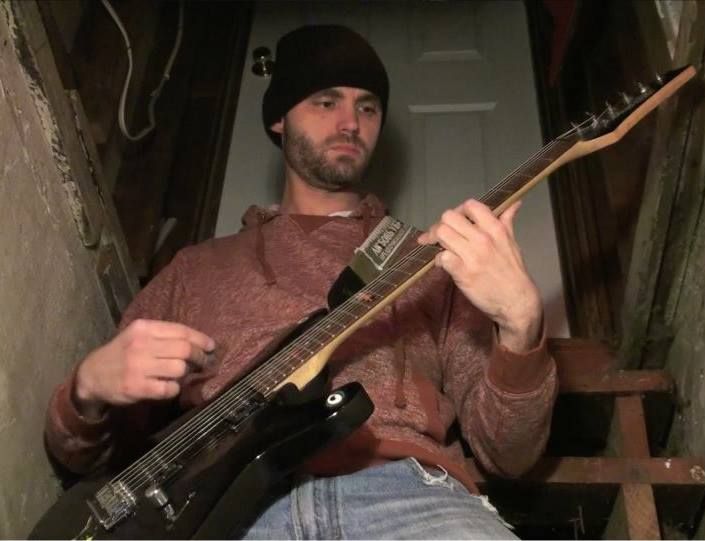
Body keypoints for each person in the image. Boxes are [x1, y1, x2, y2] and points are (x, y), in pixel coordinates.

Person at [44, 25, 557, 539]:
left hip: (410, 499)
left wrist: (522, 327)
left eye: (368, 107)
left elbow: (508, 454)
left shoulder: (430, 261)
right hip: (229, 516)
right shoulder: (195, 269)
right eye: (326, 101)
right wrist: (85, 391)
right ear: (279, 118)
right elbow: (89, 459)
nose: (351, 122)